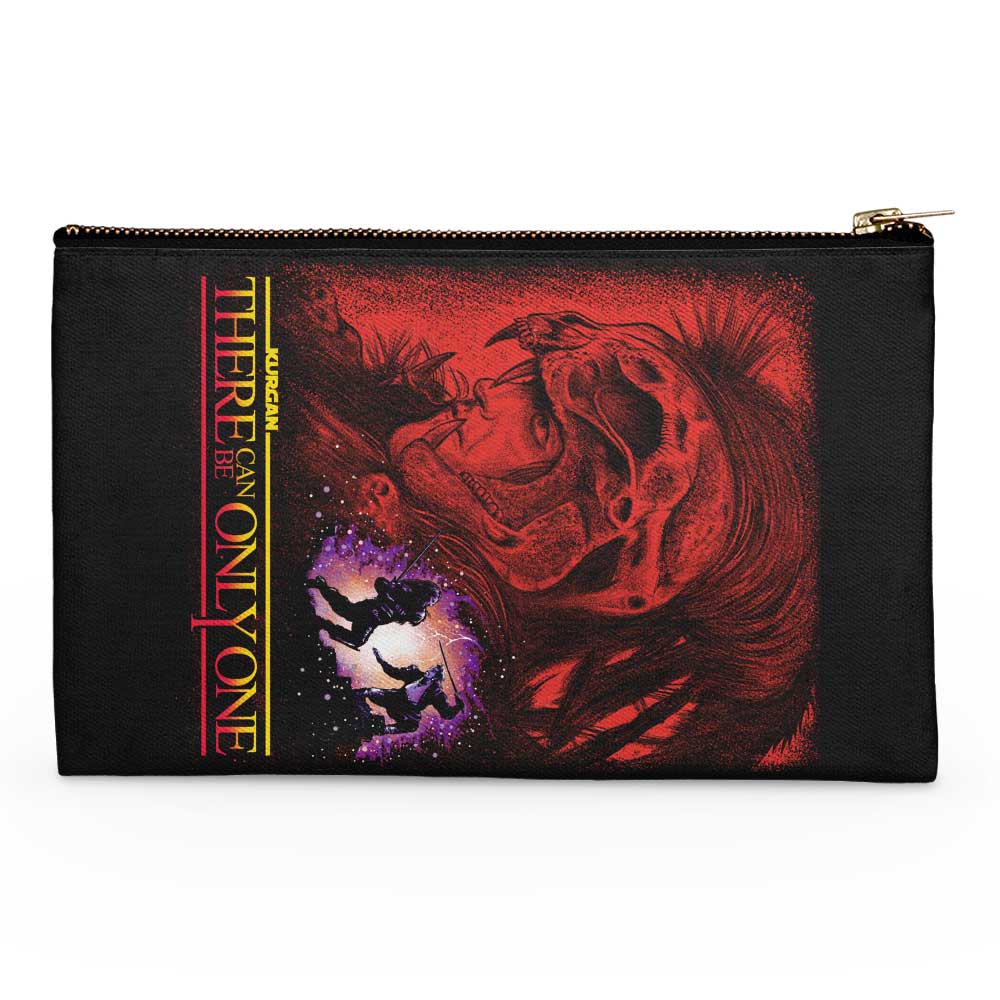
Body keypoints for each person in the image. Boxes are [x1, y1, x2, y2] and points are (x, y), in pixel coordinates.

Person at [307, 575, 441, 650]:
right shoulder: (403, 587)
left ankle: (323, 624)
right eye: (430, 599)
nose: (429, 603)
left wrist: (397, 601)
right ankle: (322, 587)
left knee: (356, 639)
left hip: (374, 619)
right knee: (345, 610)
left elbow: (414, 618)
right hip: (370, 608)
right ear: (423, 592)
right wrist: (390, 587)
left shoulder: (418, 612)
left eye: (432, 602)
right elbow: (379, 582)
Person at [355, 648, 464, 735]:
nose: (429, 669)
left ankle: (380, 730)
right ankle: (355, 705)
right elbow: (393, 672)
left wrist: (458, 706)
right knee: (368, 692)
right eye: (432, 668)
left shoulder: (437, 694)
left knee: (412, 726)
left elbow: (446, 714)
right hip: (395, 697)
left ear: (436, 678)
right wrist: (381, 660)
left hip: (408, 710)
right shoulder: (414, 672)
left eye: (433, 670)